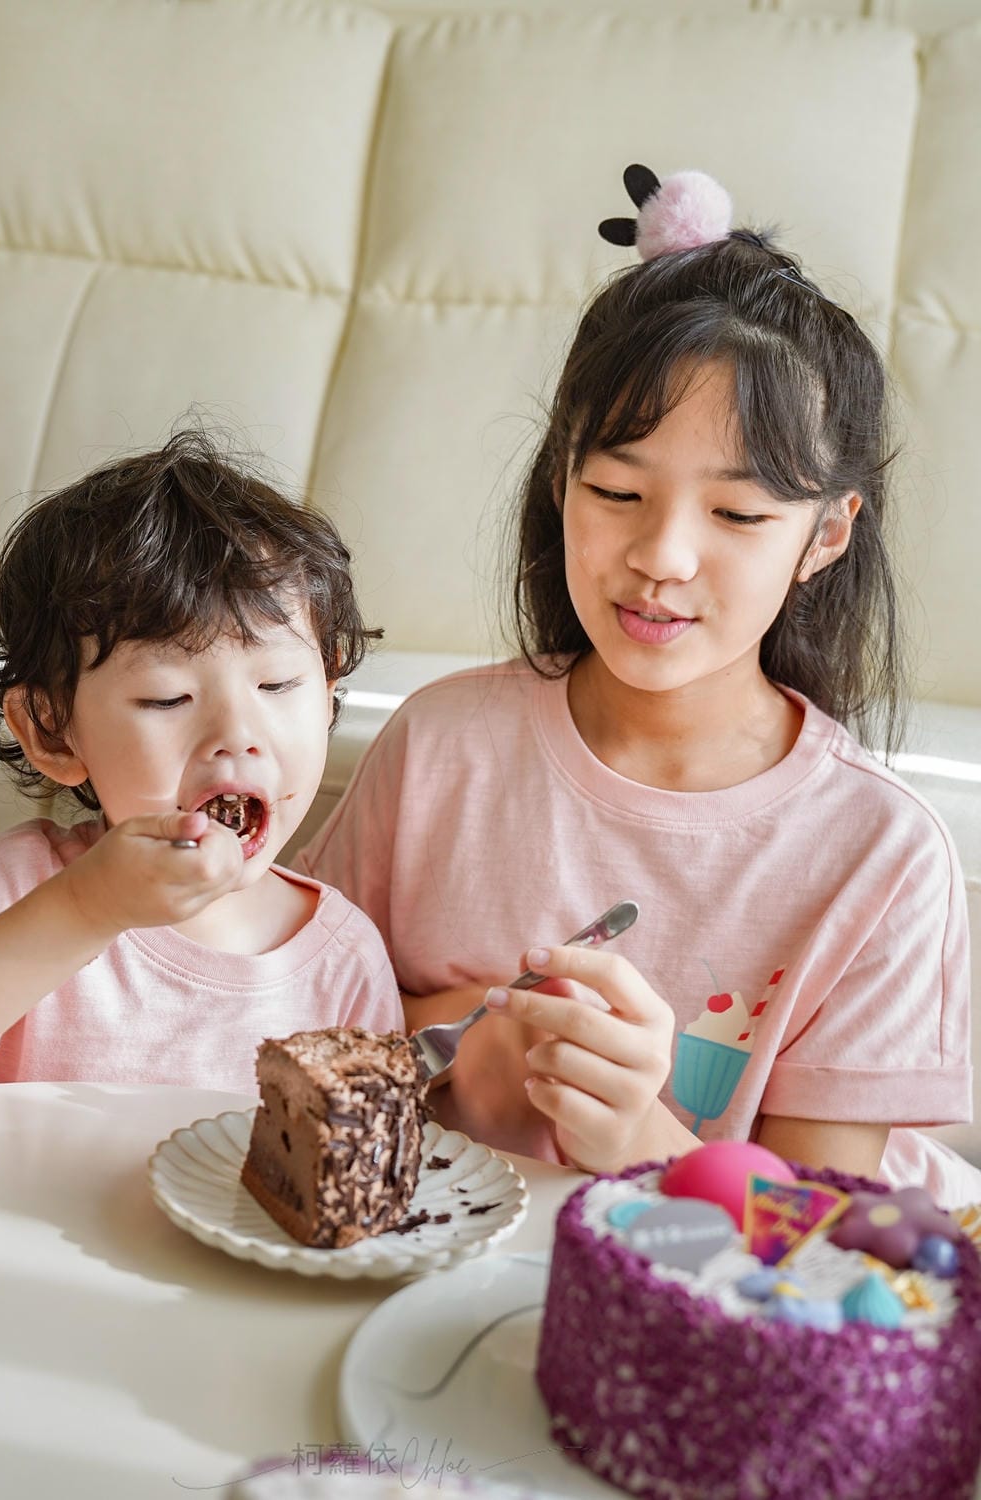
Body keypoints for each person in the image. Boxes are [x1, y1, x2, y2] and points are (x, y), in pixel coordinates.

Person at [299, 166, 979, 1206]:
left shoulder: (878, 857)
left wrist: (645, 1137)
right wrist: (459, 1031)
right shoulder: (443, 745)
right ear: (560, 478)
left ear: (826, 535)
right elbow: (286, 1013)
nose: (662, 557)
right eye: (616, 491)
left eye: (739, 516)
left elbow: (815, 1242)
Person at [0, 430, 402, 1122]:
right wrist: (87, 909)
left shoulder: (342, 962)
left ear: (328, 691)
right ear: (52, 730)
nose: (237, 737)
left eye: (277, 685)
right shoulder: (6, 898)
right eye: (167, 699)